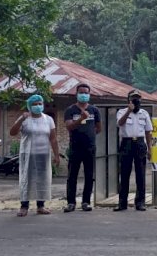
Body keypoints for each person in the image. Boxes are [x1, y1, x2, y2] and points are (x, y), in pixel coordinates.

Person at [9, 94, 60, 217]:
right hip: (28, 154)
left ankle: (40, 206)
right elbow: (12, 132)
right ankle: (24, 206)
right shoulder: (25, 119)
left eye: (40, 103)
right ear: (29, 106)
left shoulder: (48, 119)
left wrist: (56, 155)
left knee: (42, 179)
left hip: (43, 154)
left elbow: (53, 138)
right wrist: (21, 119)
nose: (38, 106)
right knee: (26, 179)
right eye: (34, 104)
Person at [64, 83, 102, 212]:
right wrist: (81, 119)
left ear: (89, 94)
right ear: (77, 94)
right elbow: (69, 127)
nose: (84, 95)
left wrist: (88, 134)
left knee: (89, 175)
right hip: (75, 147)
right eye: (81, 92)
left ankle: (86, 202)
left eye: (86, 93)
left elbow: (98, 128)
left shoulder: (94, 110)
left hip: (90, 148)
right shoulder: (70, 110)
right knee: (72, 175)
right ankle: (71, 202)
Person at [116, 88, 153, 211]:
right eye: (133, 98)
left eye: (138, 98)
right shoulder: (122, 111)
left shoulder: (144, 113)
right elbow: (120, 123)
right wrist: (128, 111)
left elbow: (148, 132)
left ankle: (140, 202)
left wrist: (150, 148)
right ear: (128, 100)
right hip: (126, 143)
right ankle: (122, 203)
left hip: (140, 143)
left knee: (140, 174)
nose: (136, 100)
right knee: (125, 173)